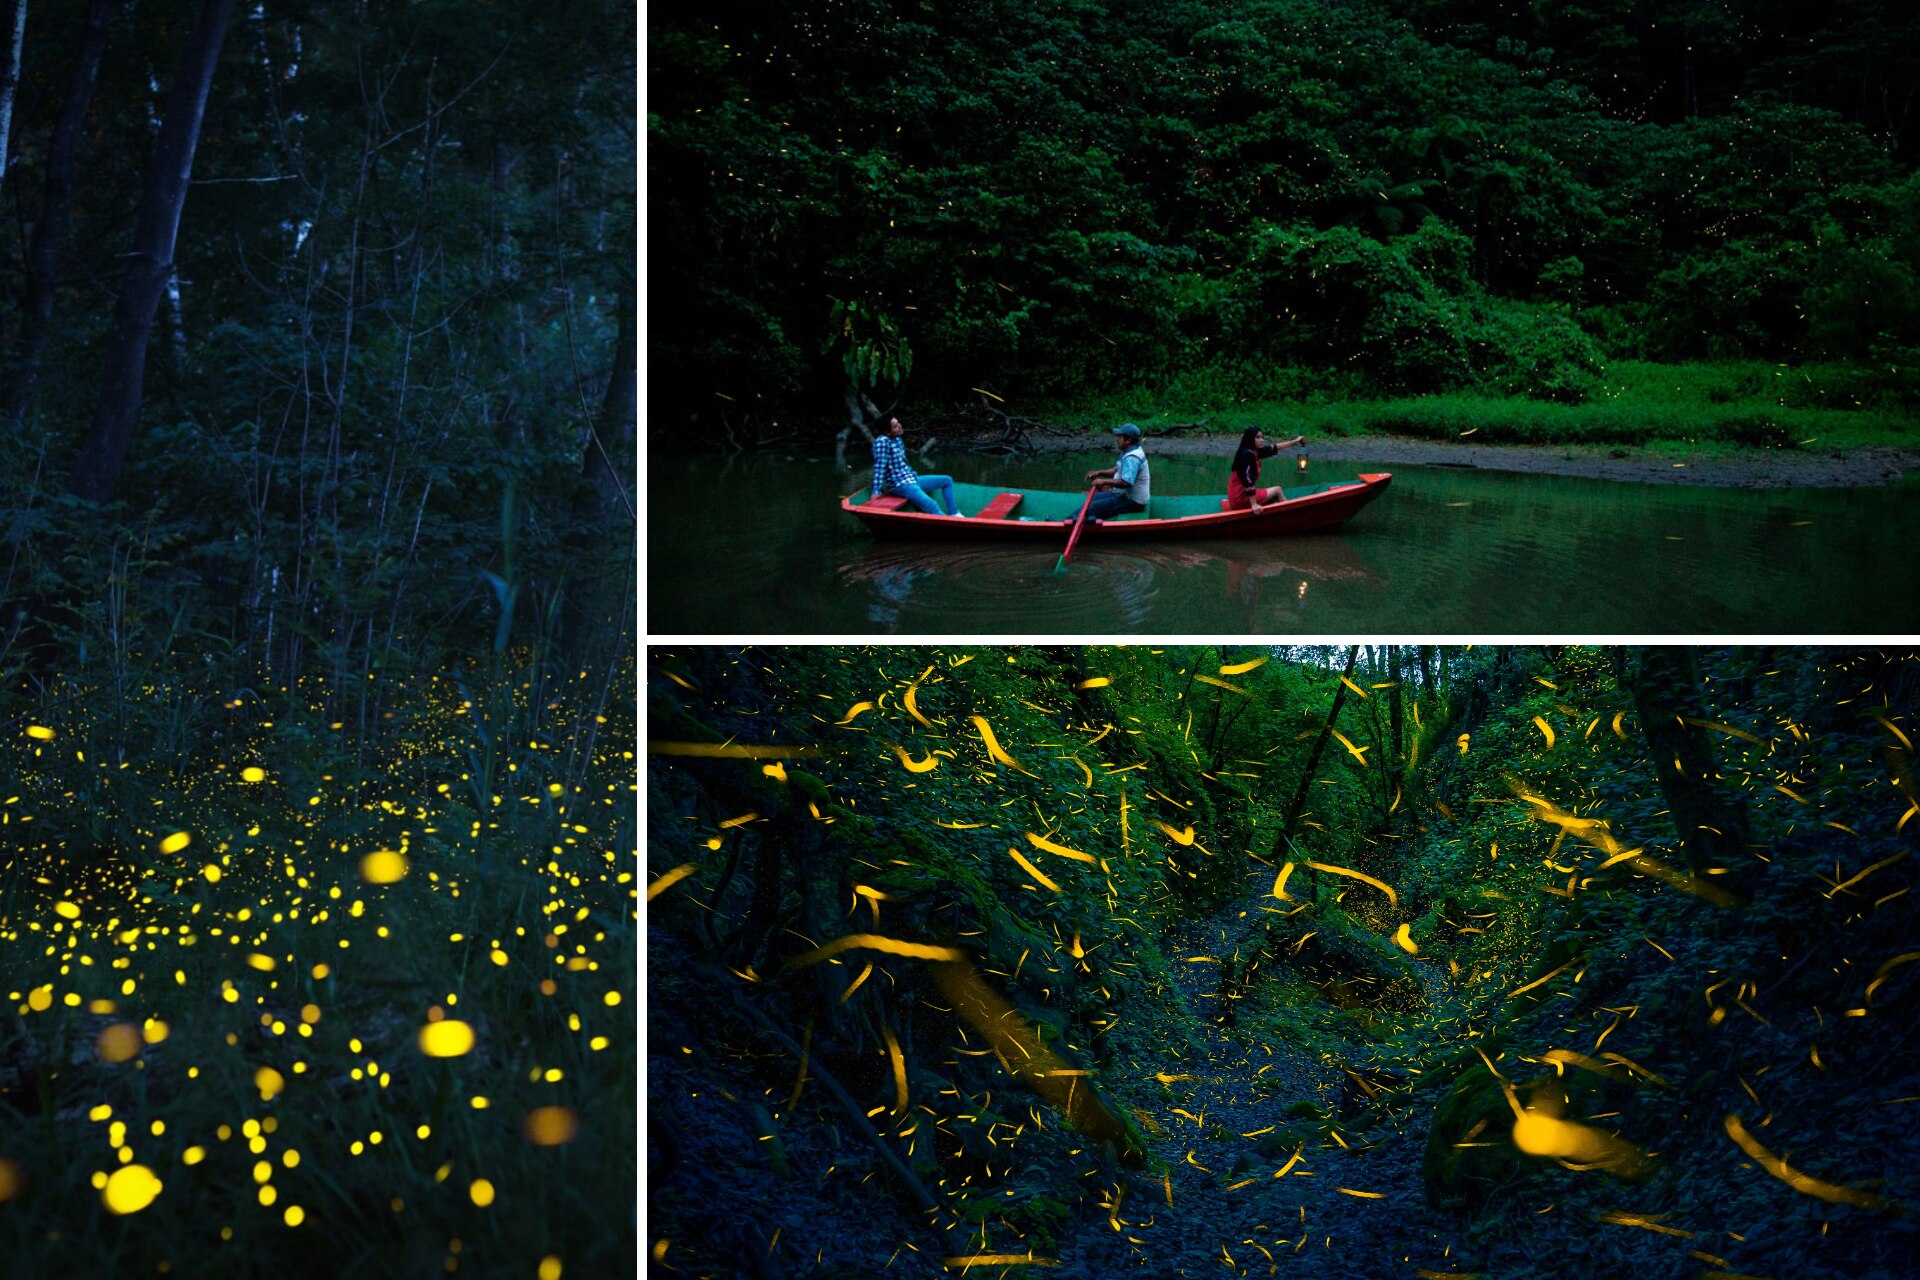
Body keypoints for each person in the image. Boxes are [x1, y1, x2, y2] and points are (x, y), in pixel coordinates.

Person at [870, 415, 960, 516]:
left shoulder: (897, 439)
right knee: (931, 504)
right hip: (900, 485)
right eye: (895, 426)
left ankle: (954, 513)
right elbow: (879, 467)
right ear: (887, 432)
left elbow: (903, 464)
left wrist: (912, 476)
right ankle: (948, 522)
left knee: (947, 480)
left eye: (898, 423)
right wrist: (876, 490)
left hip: (912, 479)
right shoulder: (882, 442)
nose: (899, 426)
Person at [1082, 423, 1151, 521]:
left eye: (1120, 437)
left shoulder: (1132, 458)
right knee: (1091, 500)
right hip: (1124, 495)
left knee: (1093, 508)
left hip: (1133, 502)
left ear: (1128, 440)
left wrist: (1103, 481)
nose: (1116, 439)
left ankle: (1073, 523)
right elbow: (1117, 470)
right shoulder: (1129, 450)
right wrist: (1099, 473)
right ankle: (1075, 520)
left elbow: (1125, 482)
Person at [1226, 427, 1306, 511]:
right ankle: (1291, 513)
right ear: (1250, 438)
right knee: (1277, 490)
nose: (1262, 440)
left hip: (1239, 494)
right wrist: (1254, 504)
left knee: (1273, 498)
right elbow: (1247, 480)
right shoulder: (1246, 455)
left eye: (1262, 437)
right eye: (1258, 437)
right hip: (1240, 498)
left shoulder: (1254, 451)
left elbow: (1275, 447)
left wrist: (1295, 441)